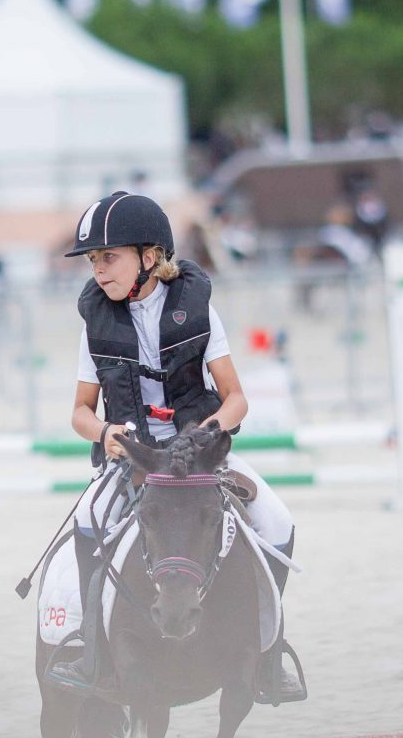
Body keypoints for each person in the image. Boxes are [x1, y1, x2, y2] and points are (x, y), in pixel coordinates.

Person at [46, 191, 306, 705]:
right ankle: (94, 653)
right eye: (93, 260)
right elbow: (80, 412)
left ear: (149, 256)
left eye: (108, 257)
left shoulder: (197, 308)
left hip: (199, 455)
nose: (98, 270)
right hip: (135, 457)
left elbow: (235, 399)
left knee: (278, 521)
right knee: (85, 521)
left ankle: (267, 655)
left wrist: (207, 434)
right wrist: (104, 433)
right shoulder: (95, 321)